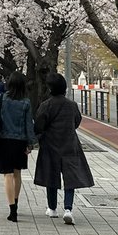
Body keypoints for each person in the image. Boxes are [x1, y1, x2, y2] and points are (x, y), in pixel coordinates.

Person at [33, 72, 95, 225]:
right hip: (69, 144)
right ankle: (68, 209)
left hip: (50, 145)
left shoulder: (46, 105)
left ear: (49, 89)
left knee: (51, 176)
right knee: (71, 177)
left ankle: (52, 208)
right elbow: (77, 121)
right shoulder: (71, 105)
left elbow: (39, 125)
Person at [0, 71, 36, 222]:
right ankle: (16, 203)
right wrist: (30, 143)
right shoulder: (26, 102)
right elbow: (28, 124)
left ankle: (12, 210)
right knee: (17, 174)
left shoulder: (2, 98)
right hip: (20, 142)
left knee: (7, 175)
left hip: (5, 140)